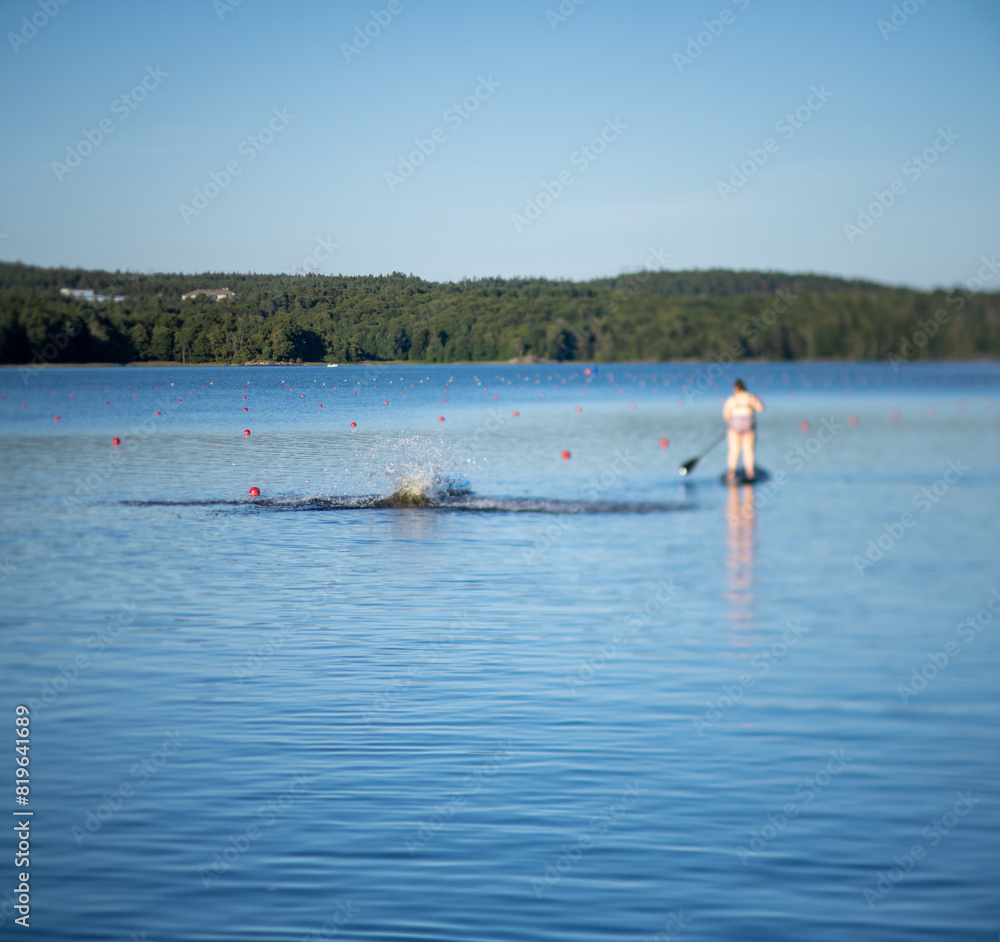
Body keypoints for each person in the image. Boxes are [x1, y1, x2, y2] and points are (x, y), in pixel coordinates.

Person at [723, 379, 764, 481]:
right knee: (748, 450)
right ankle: (750, 473)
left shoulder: (731, 399)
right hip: (749, 428)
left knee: (734, 450)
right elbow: (761, 409)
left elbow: (726, 415)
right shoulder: (751, 397)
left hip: (734, 429)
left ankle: (731, 473)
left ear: (735, 388)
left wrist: (731, 426)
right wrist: (758, 400)